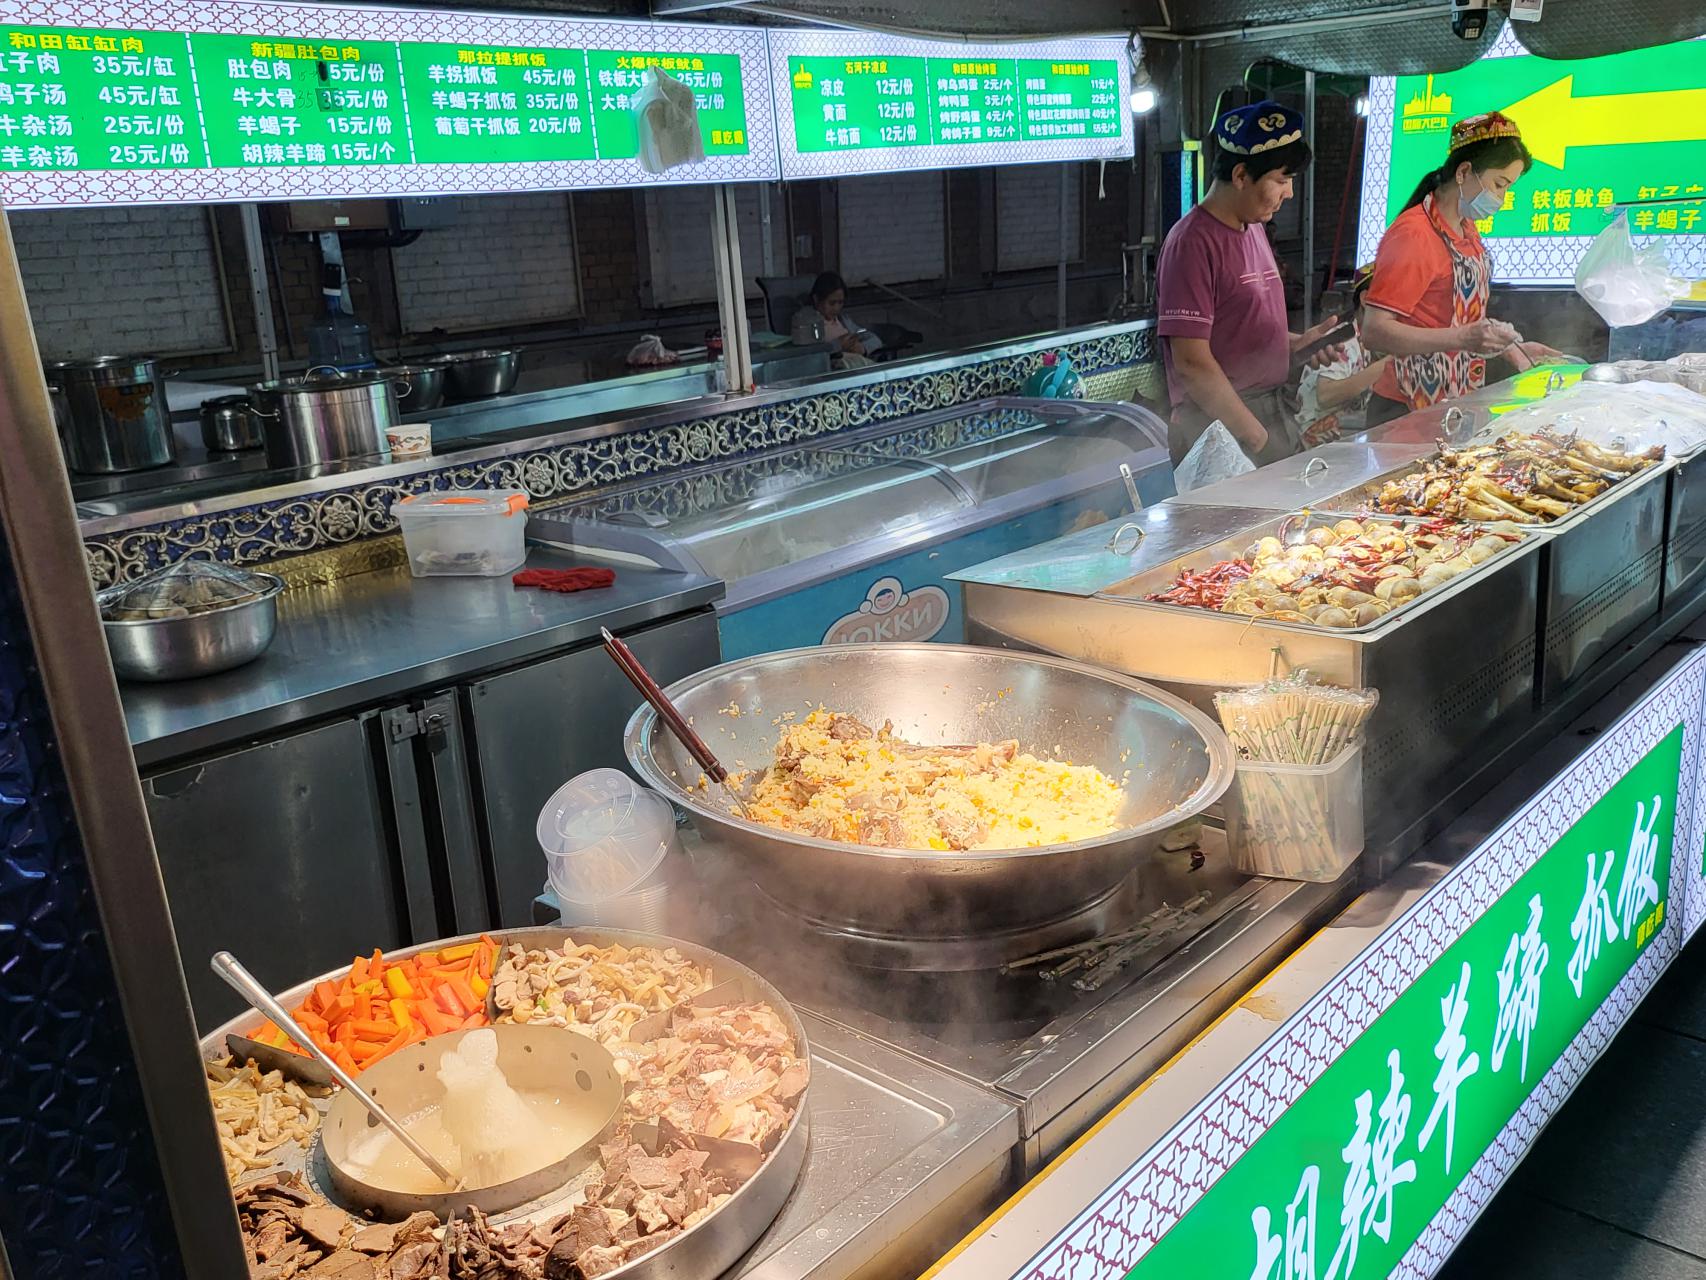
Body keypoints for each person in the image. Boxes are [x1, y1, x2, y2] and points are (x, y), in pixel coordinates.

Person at [1157, 99, 1346, 468]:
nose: (1289, 193)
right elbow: (1192, 363)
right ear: (1241, 175)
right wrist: (1255, 437)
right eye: (1282, 180)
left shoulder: (1254, 228)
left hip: (1268, 412)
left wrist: (1295, 345)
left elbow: (1235, 329)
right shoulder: (1192, 243)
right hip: (1220, 426)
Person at [1362, 112, 1565, 427]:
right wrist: (1463, 338)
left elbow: (1460, 316)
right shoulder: (1414, 234)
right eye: (1499, 184)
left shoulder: (1466, 228)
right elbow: (1375, 331)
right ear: (1464, 172)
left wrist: (1514, 349)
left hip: (1454, 398)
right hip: (1405, 405)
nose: (1502, 197)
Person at [1294, 266, 1392, 447]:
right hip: (1314, 440)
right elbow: (1326, 395)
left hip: (1347, 433)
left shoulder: (1370, 340)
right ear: (1365, 299)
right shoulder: (1343, 339)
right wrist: (1388, 364)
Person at [794, 272, 882, 369]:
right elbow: (810, 353)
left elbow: (874, 338)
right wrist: (838, 345)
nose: (836, 308)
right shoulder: (806, 320)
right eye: (832, 303)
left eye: (840, 302)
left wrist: (862, 348)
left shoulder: (843, 320)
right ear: (816, 299)